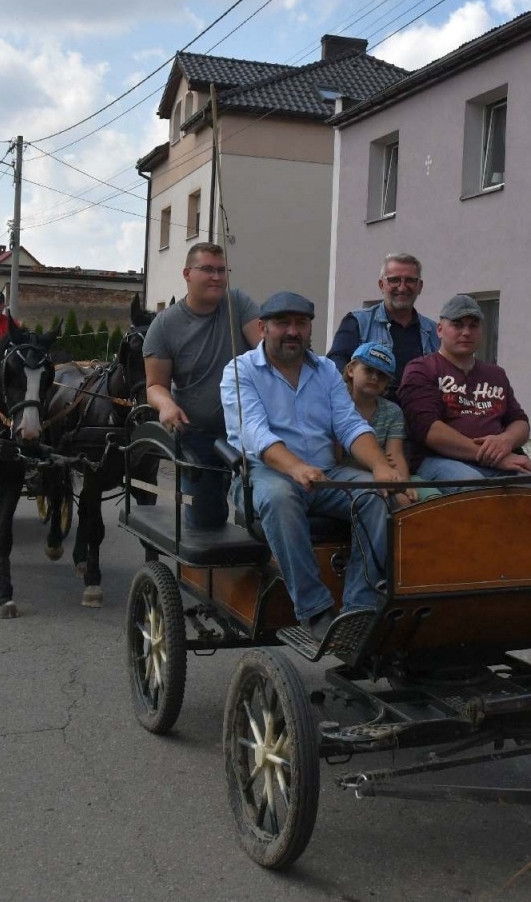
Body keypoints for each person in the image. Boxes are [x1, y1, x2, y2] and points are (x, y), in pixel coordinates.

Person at [221, 292, 407, 637]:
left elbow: (350, 425)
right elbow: (253, 432)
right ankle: (314, 610)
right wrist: (295, 467)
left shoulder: (326, 371)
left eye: (301, 324)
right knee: (280, 498)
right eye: (283, 323)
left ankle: (360, 609)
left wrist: (381, 467)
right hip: (267, 474)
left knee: (377, 496)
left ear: (309, 329)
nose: (293, 331)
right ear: (263, 328)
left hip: (326, 474)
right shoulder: (240, 370)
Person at [143, 242, 262, 529]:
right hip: (198, 435)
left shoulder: (237, 303)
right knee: (204, 520)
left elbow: (265, 351)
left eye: (222, 270)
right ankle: (201, 573)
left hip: (250, 430)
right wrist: (166, 404)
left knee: (258, 513)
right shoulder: (164, 325)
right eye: (207, 269)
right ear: (187, 273)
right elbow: (155, 386)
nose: (217, 277)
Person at [398, 293, 531, 485]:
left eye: (473, 325)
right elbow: (427, 429)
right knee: (475, 488)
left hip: (501, 462)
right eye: (457, 324)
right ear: (439, 329)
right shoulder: (421, 369)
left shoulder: (496, 374)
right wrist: (494, 456)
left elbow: (519, 420)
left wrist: (507, 440)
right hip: (440, 461)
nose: (466, 332)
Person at [326, 253, 439, 398]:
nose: (402, 287)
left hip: (420, 414)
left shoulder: (434, 332)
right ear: (381, 285)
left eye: (410, 280)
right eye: (394, 280)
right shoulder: (358, 322)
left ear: (420, 286)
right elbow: (336, 362)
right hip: (370, 414)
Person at [336, 342, 417, 509]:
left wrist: (404, 484)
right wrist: (377, 462)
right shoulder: (337, 401)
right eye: (368, 370)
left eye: (382, 375)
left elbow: (395, 455)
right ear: (351, 370)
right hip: (342, 475)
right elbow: (336, 458)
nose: (374, 377)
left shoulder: (392, 411)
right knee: (383, 496)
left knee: (408, 500)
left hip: (382, 473)